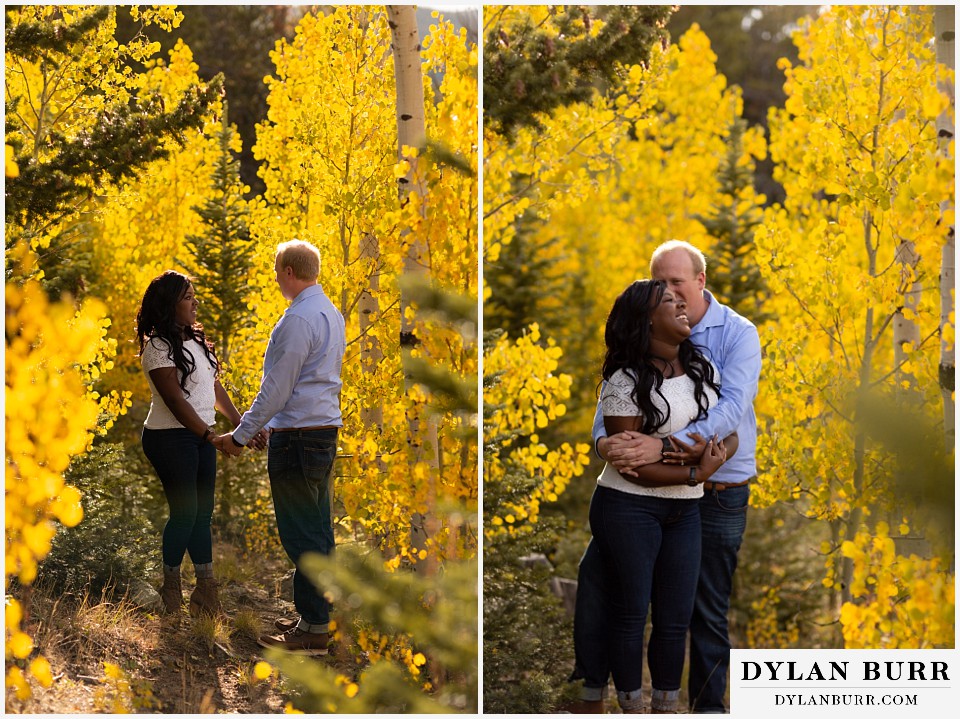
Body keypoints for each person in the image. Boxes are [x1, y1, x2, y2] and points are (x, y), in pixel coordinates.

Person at [571, 240, 762, 713]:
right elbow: (614, 420)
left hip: (715, 492)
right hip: (639, 499)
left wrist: (672, 452)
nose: (670, 293)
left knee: (701, 611)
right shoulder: (635, 364)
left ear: (701, 282)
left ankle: (704, 707)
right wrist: (607, 444)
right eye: (661, 285)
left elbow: (732, 412)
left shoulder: (733, 336)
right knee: (607, 594)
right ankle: (597, 695)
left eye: (676, 284)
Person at [214, 239, 345, 657]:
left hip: (300, 438)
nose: (275, 278)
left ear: (289, 271)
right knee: (318, 528)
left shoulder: (297, 319)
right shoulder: (331, 313)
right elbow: (303, 382)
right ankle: (314, 619)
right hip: (321, 432)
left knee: (302, 532)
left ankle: (315, 633)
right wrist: (266, 425)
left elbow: (277, 387)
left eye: (276, 271)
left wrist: (239, 435)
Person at [137, 271, 267, 623]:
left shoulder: (196, 340)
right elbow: (176, 402)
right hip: (168, 437)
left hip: (200, 434)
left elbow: (213, 389)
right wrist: (211, 439)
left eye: (195, 295)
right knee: (185, 512)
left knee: (202, 513)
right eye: (187, 297)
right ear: (169, 305)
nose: (195, 302)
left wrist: (242, 424)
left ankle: (206, 594)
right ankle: (171, 590)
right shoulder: (157, 347)